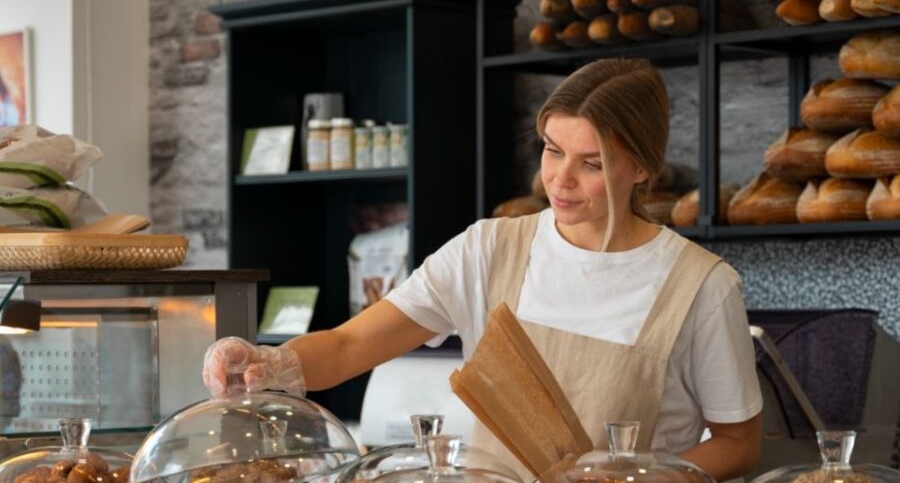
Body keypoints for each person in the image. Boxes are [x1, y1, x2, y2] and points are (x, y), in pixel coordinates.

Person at [203, 58, 763, 481]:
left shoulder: (700, 286)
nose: (558, 180)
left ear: (642, 166)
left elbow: (740, 442)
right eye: (551, 149)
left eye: (590, 163)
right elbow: (350, 345)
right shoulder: (489, 249)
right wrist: (266, 362)